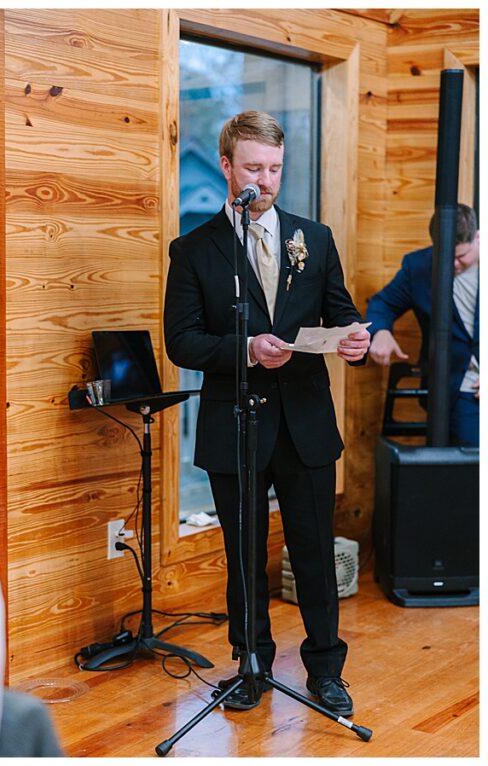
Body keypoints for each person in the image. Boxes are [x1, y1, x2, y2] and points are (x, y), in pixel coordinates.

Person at [163, 111, 370, 717]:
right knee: (244, 556)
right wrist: (247, 349)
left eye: (275, 168)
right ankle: (250, 666)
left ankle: (326, 670)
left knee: (314, 553)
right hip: (235, 423)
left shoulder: (315, 238)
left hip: (306, 422)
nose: (266, 180)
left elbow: (339, 313)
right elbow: (181, 341)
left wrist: (353, 340)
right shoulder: (194, 249)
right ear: (227, 166)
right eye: (254, 168)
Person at [366, 204, 479, 446]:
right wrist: (381, 331)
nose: (453, 265)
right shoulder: (417, 267)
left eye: (461, 257)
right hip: (455, 386)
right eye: (446, 256)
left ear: (477, 238)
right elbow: (382, 304)